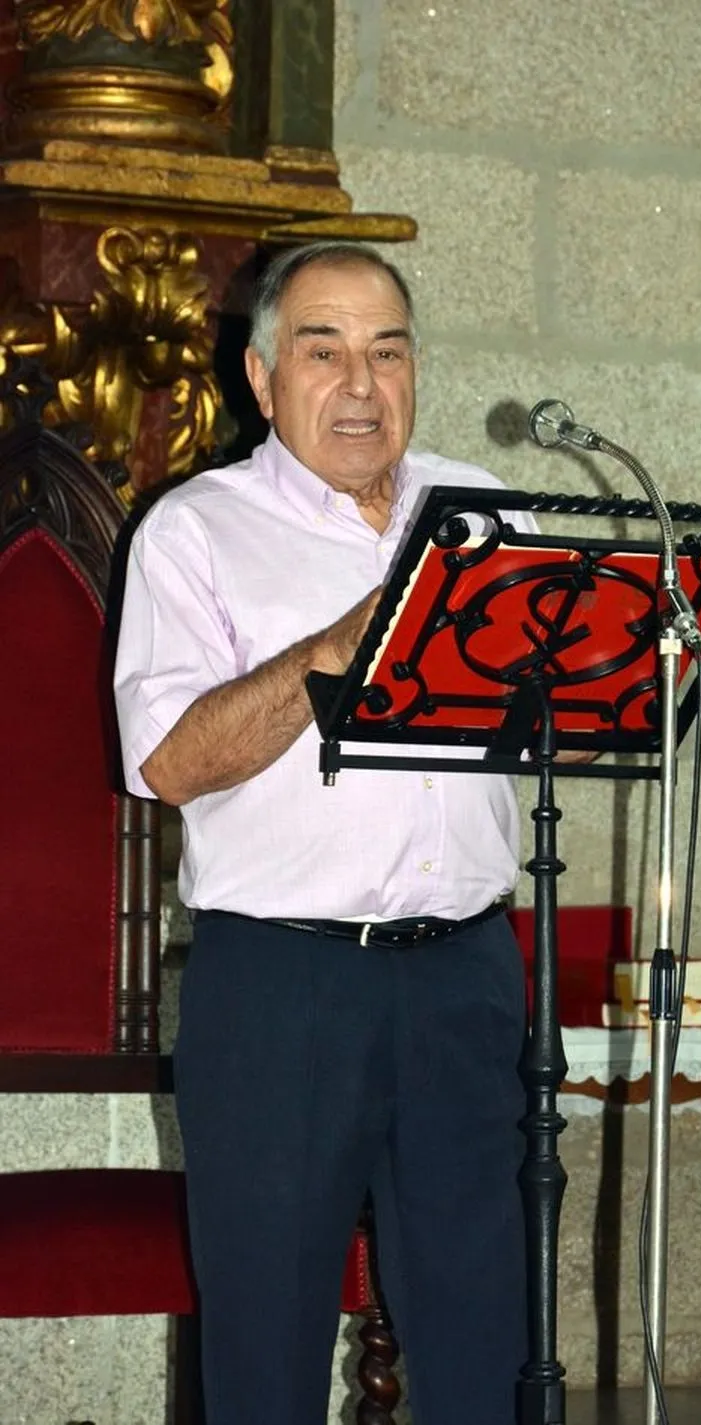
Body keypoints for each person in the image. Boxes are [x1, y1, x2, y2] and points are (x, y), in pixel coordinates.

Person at [113, 242, 533, 1425]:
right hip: (283, 988)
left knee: (483, 1333)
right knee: (266, 1344)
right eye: (323, 350)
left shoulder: (484, 513)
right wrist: (343, 643)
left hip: (464, 973)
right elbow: (165, 763)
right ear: (261, 378)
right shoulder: (195, 532)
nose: (360, 383)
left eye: (386, 352)